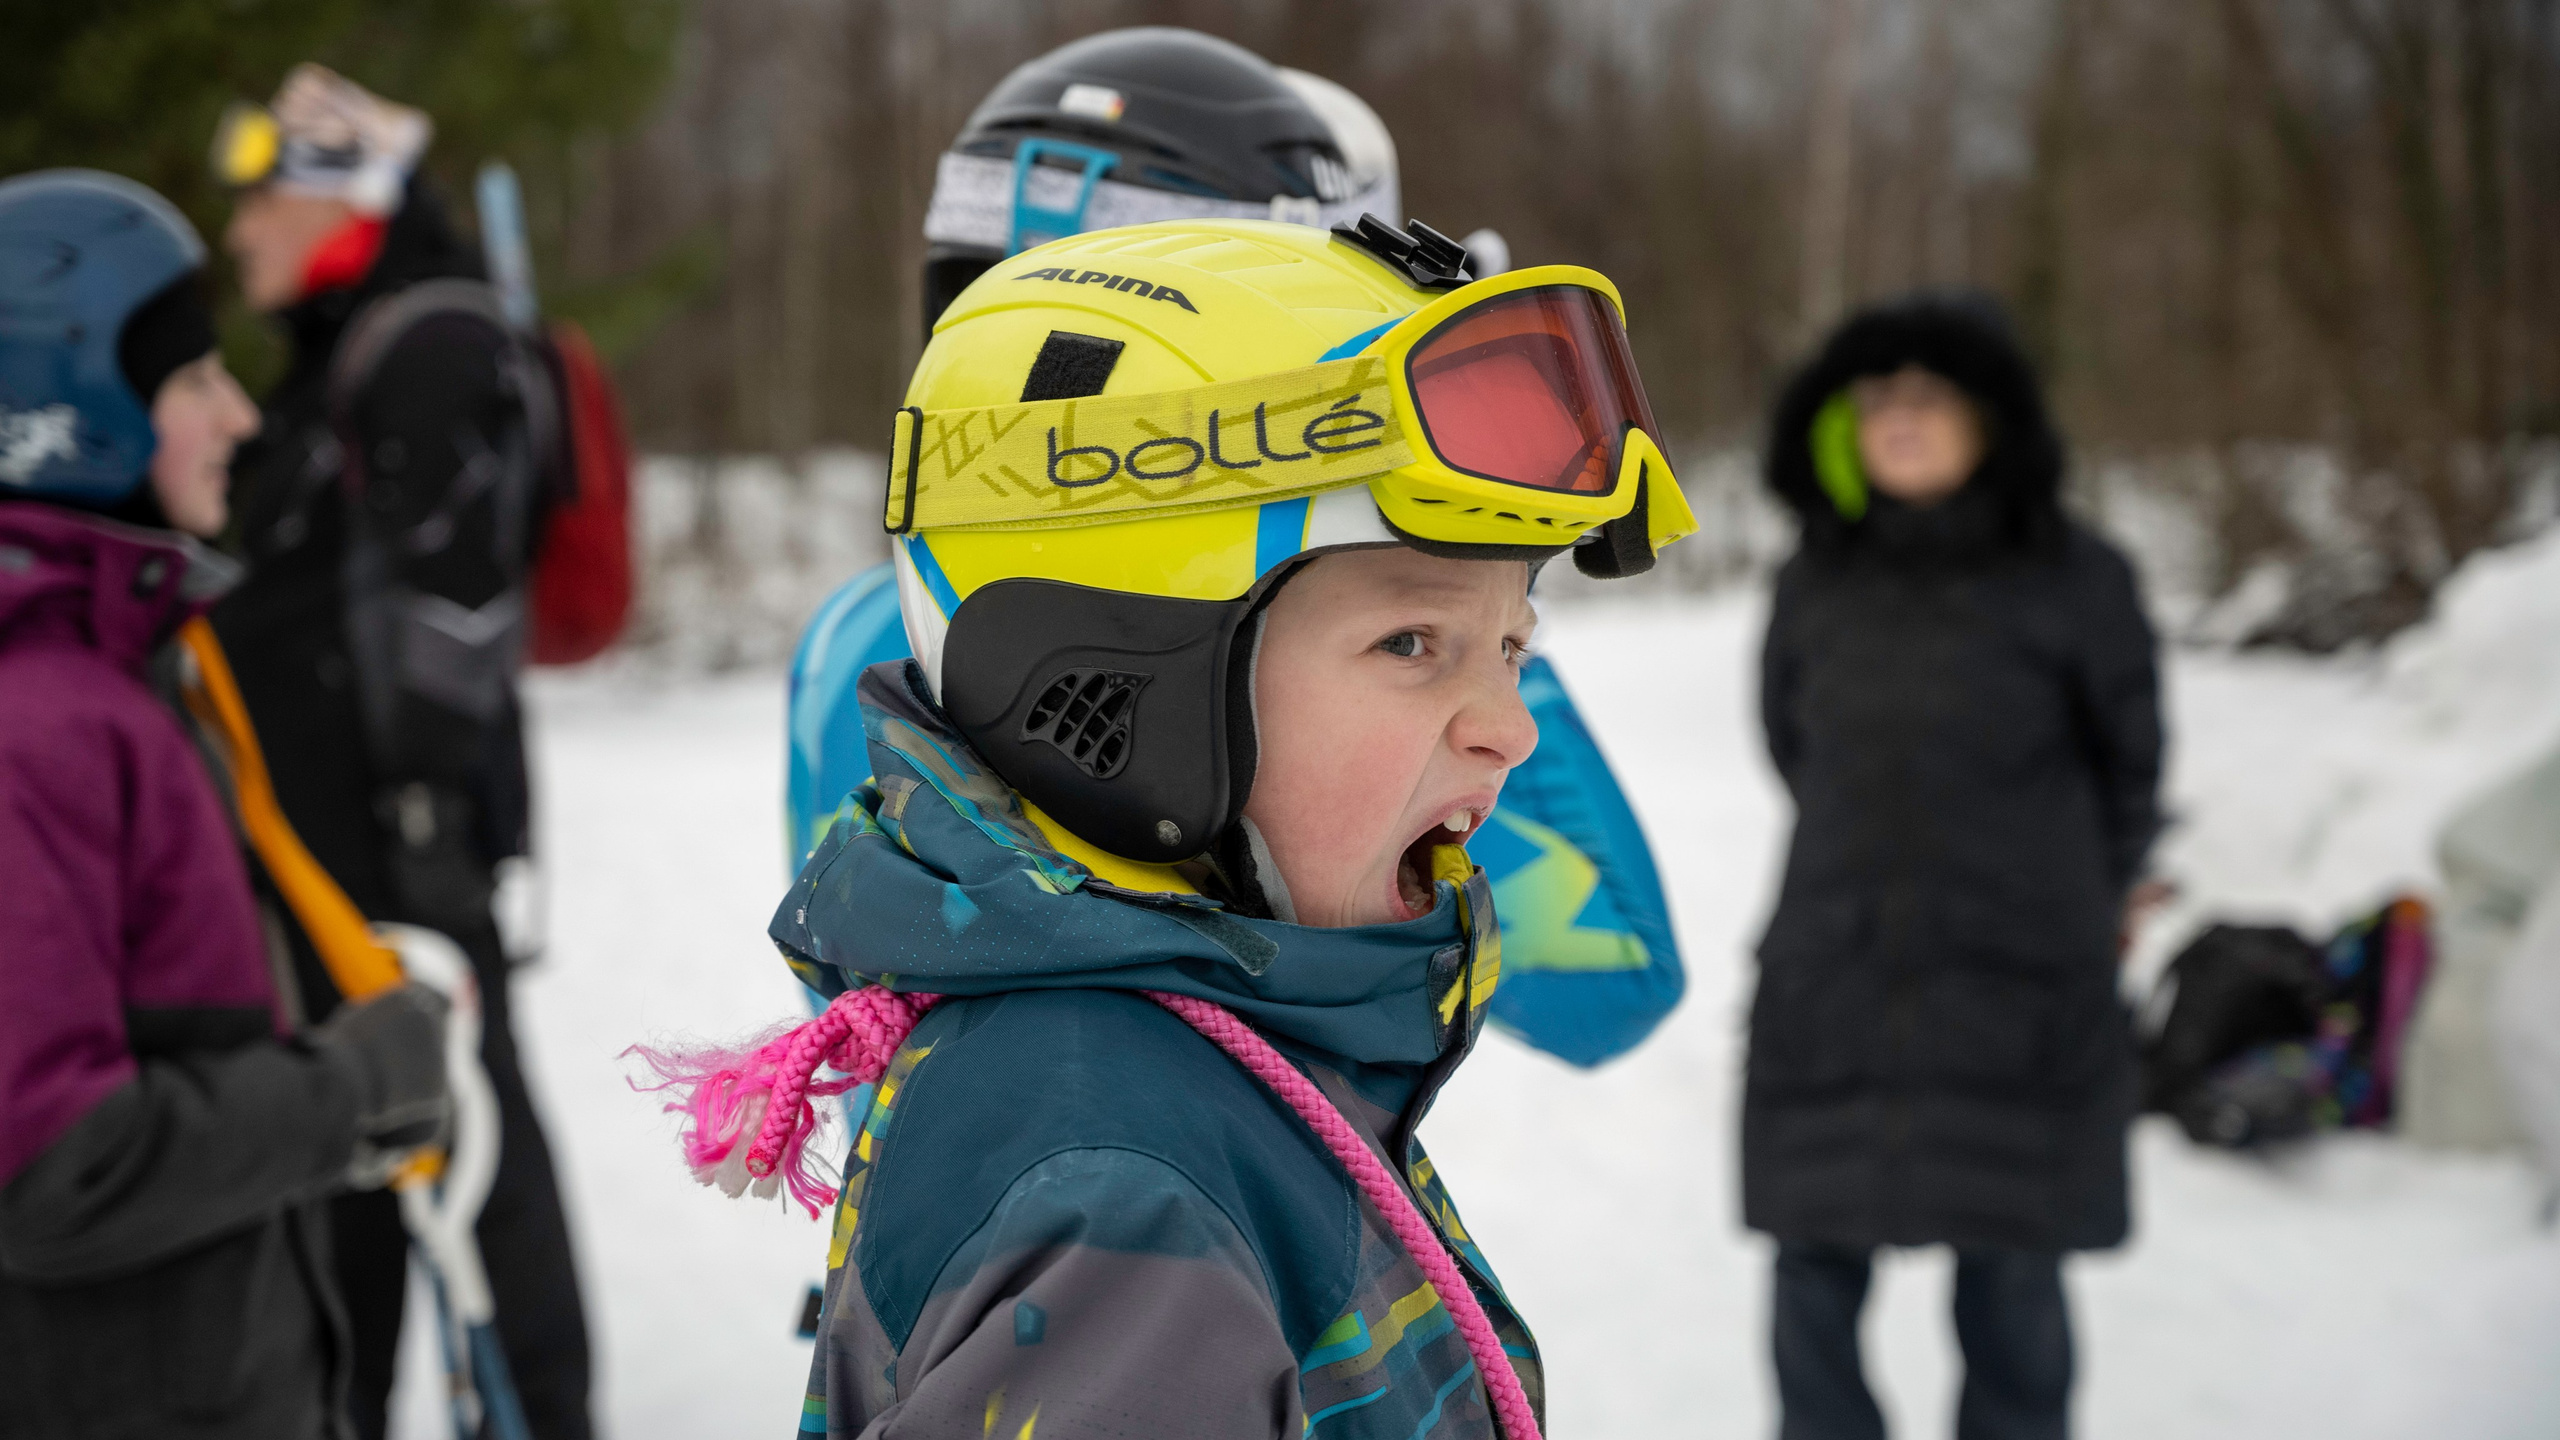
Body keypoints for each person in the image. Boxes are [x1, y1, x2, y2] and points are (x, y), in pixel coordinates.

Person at [643, 214, 1695, 1435]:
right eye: (1413, 643)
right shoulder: (1112, 1198)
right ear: (1119, 684)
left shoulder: (1210, 1049)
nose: (1507, 728)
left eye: (1509, 647)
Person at [791, 26, 1684, 1071]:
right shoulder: (1106, 683)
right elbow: (1613, 977)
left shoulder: (890, 634)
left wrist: (1447, 598)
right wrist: (1451, 557)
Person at [0, 169, 450, 1440]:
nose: (242, 415)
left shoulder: (116, 677)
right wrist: (352, 1090)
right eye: (195, 380)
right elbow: (53, 1166)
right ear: (70, 414)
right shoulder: (38, 732)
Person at [206, 66, 594, 1440]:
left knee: (477, 1166)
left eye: (262, 194)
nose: (240, 227)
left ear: (339, 199)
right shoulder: (342, 352)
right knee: (356, 1160)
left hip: (398, 854)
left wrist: (427, 828)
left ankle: (537, 1414)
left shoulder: (426, 341)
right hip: (327, 848)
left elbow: (457, 602)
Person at [1748, 294, 2163, 1440]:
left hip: (2017, 981)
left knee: (2014, 1279)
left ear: (1990, 418)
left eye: (1929, 396)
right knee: (1809, 1270)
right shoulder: (1811, 576)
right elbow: (1789, 739)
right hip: (1838, 969)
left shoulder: (2079, 576)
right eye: (1878, 398)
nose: (1901, 419)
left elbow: (2132, 762)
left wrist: (2080, 894)